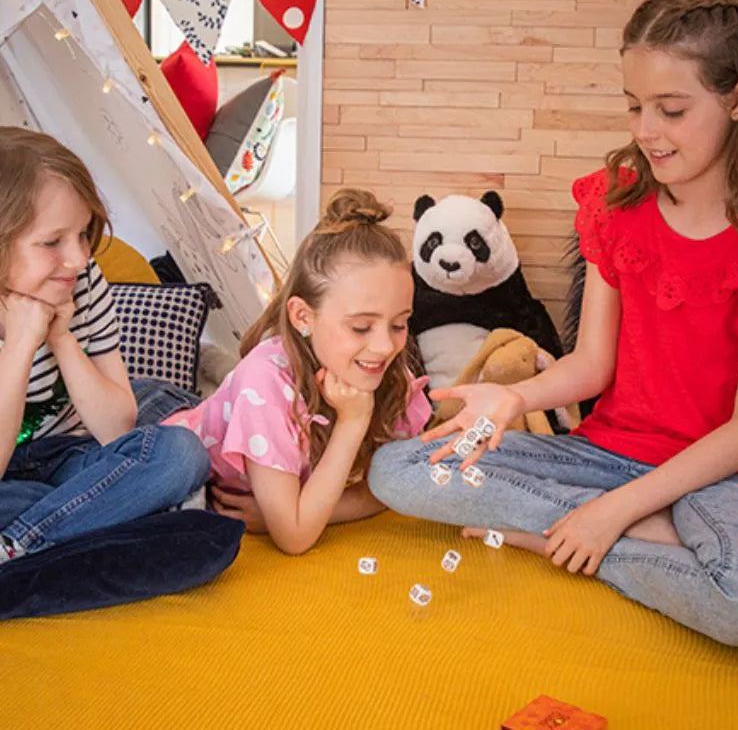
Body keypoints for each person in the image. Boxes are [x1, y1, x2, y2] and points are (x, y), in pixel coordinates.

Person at [367, 0, 738, 648]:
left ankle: (564, 536)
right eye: (634, 107)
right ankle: (625, 538)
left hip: (719, 476)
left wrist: (615, 513)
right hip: (604, 454)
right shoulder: (615, 203)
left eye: (672, 109)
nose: (646, 132)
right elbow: (593, 366)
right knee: (398, 469)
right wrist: (514, 401)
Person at [163, 188, 431, 554]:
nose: (386, 346)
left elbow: (396, 484)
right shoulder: (265, 383)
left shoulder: (389, 372)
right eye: (361, 327)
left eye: (399, 324)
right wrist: (353, 423)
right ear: (304, 317)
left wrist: (311, 508)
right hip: (165, 440)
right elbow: (295, 536)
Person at [0, 126, 210, 565]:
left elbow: (116, 428)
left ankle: (19, 543)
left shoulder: (83, 281)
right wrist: (20, 343)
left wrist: (60, 337)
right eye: (52, 242)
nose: (76, 258)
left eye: (82, 235)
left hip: (71, 459)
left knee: (180, 454)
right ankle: (94, 519)